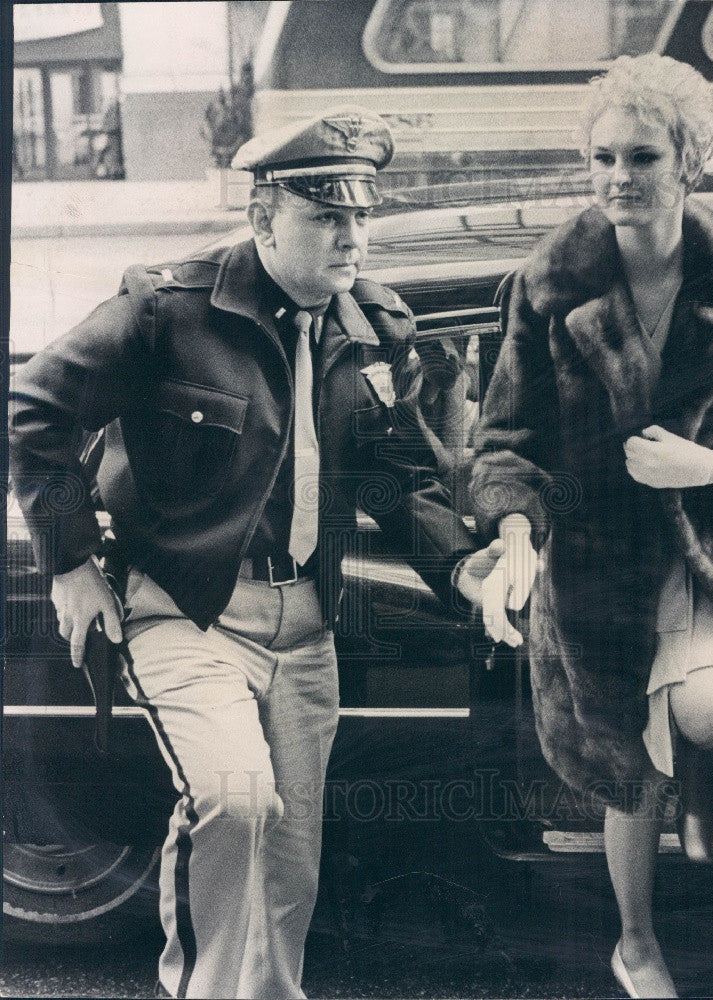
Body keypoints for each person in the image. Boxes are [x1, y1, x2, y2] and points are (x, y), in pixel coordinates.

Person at [9, 106, 499, 1000]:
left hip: (306, 632)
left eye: (360, 216)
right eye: (326, 218)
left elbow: (401, 484)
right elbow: (33, 409)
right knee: (235, 801)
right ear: (265, 219)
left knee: (289, 859)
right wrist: (71, 561)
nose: (351, 238)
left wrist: (464, 566)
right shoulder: (168, 310)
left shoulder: (375, 326)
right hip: (186, 612)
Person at [471, 56, 713, 998]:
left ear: (688, 161)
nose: (619, 176)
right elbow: (504, 437)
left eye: (642, 155)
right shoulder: (548, 281)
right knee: (622, 767)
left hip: (707, 546)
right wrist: (520, 530)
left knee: (702, 709)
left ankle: (689, 777)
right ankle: (636, 941)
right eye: (603, 155)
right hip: (596, 556)